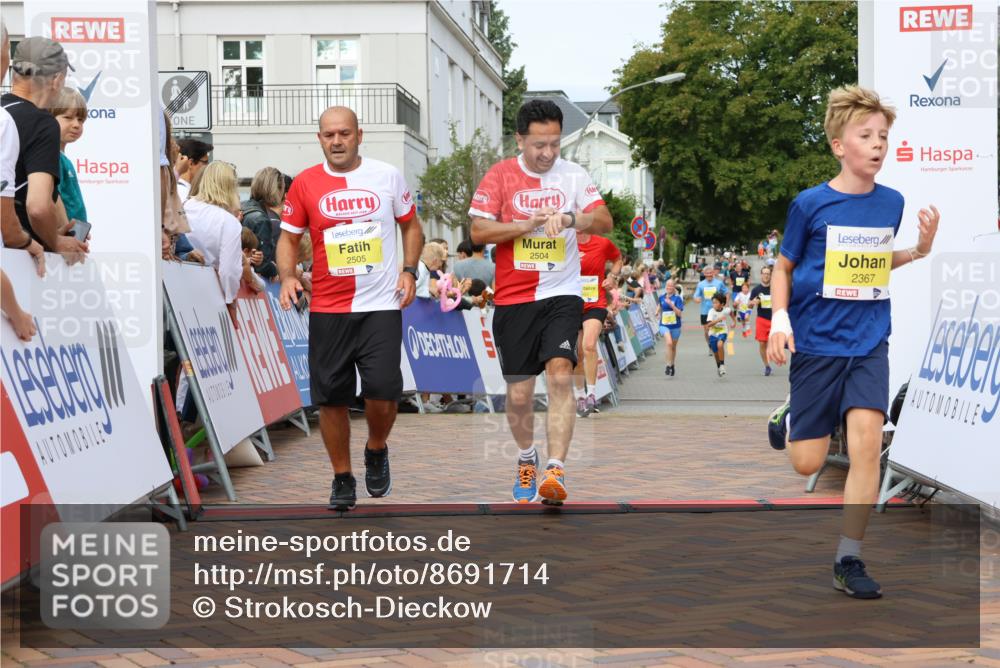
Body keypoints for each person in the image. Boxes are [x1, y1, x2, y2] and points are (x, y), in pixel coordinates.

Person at [766, 85, 940, 600]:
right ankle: (789, 412)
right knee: (806, 461)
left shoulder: (892, 203)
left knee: (867, 447)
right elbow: (783, 267)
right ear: (839, 145)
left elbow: (872, 262)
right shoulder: (810, 204)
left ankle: (849, 558)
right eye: (866, 136)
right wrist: (780, 319)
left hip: (868, 341)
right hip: (816, 342)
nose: (877, 144)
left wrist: (917, 251)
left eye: (883, 136)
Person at [277, 106, 423, 511]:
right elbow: (288, 238)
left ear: (360, 134)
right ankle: (342, 477)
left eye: (344, 133)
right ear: (319, 138)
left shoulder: (386, 176)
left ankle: (376, 448)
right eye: (328, 135)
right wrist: (288, 275)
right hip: (328, 307)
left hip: (380, 304)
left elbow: (411, 224)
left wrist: (409, 270)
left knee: (382, 390)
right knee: (331, 398)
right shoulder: (305, 183)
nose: (336, 141)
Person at [469, 98, 612, 505]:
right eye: (539, 145)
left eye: (555, 144)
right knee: (518, 395)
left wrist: (571, 219)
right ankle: (527, 458)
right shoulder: (500, 176)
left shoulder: (573, 175)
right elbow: (478, 231)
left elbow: (604, 221)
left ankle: (556, 469)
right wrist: (519, 226)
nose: (548, 153)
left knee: (561, 372)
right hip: (514, 298)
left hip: (562, 294)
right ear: (520, 140)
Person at [2, 36, 87, 259]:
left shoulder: (3, 113)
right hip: (21, 255)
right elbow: (38, 206)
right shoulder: (42, 123)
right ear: (57, 79)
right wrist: (55, 240)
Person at [574, 230, 621, 417]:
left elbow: (617, 259)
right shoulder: (562, 242)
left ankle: (592, 394)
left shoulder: (601, 243)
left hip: (595, 302)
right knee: (576, 355)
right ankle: (579, 397)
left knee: (589, 345)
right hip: (570, 304)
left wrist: (612, 277)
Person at [184, 162, 244, 305]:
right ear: (231, 186)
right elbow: (229, 271)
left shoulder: (184, 207)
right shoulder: (229, 222)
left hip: (176, 283)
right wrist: (230, 299)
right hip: (209, 294)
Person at [49, 87, 88, 225]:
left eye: (81, 119)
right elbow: (53, 198)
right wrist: (67, 232)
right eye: (68, 118)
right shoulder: (51, 157)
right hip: (64, 237)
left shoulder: (64, 159)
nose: (76, 125)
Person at [241, 166, 283, 280]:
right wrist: (275, 270)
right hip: (250, 282)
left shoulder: (241, 207)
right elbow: (261, 264)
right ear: (277, 189)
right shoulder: (261, 220)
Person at [692, 264, 727, 349]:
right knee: (707, 330)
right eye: (707, 273)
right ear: (704, 274)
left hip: (717, 311)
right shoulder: (701, 284)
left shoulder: (719, 283)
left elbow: (726, 292)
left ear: (713, 273)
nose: (709, 275)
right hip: (705, 311)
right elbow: (695, 296)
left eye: (710, 273)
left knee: (717, 328)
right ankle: (710, 345)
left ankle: (718, 342)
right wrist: (696, 299)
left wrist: (725, 303)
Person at [655, 278, 684, 376]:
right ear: (665, 286)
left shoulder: (678, 298)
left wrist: (672, 305)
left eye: (671, 286)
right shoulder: (662, 297)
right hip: (664, 325)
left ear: (674, 287)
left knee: (673, 347)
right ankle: (667, 365)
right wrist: (657, 311)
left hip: (675, 326)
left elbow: (679, 314)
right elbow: (659, 305)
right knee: (669, 343)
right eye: (667, 285)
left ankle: (672, 364)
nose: (669, 287)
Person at [749, 265, 774, 376]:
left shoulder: (775, 288)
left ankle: (771, 357)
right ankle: (767, 366)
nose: (766, 275)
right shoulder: (756, 290)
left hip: (774, 320)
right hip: (762, 319)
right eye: (764, 273)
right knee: (762, 343)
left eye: (768, 273)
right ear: (761, 275)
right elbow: (749, 306)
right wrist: (752, 302)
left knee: (772, 343)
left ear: (771, 275)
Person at [703, 292, 731, 377]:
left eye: (716, 302)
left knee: (720, 345)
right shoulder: (711, 311)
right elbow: (709, 325)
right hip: (713, 333)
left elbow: (731, 312)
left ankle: (722, 365)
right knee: (715, 353)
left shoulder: (726, 310)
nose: (714, 304)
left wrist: (734, 321)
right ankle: (719, 366)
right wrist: (718, 320)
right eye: (713, 302)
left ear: (722, 304)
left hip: (723, 331)